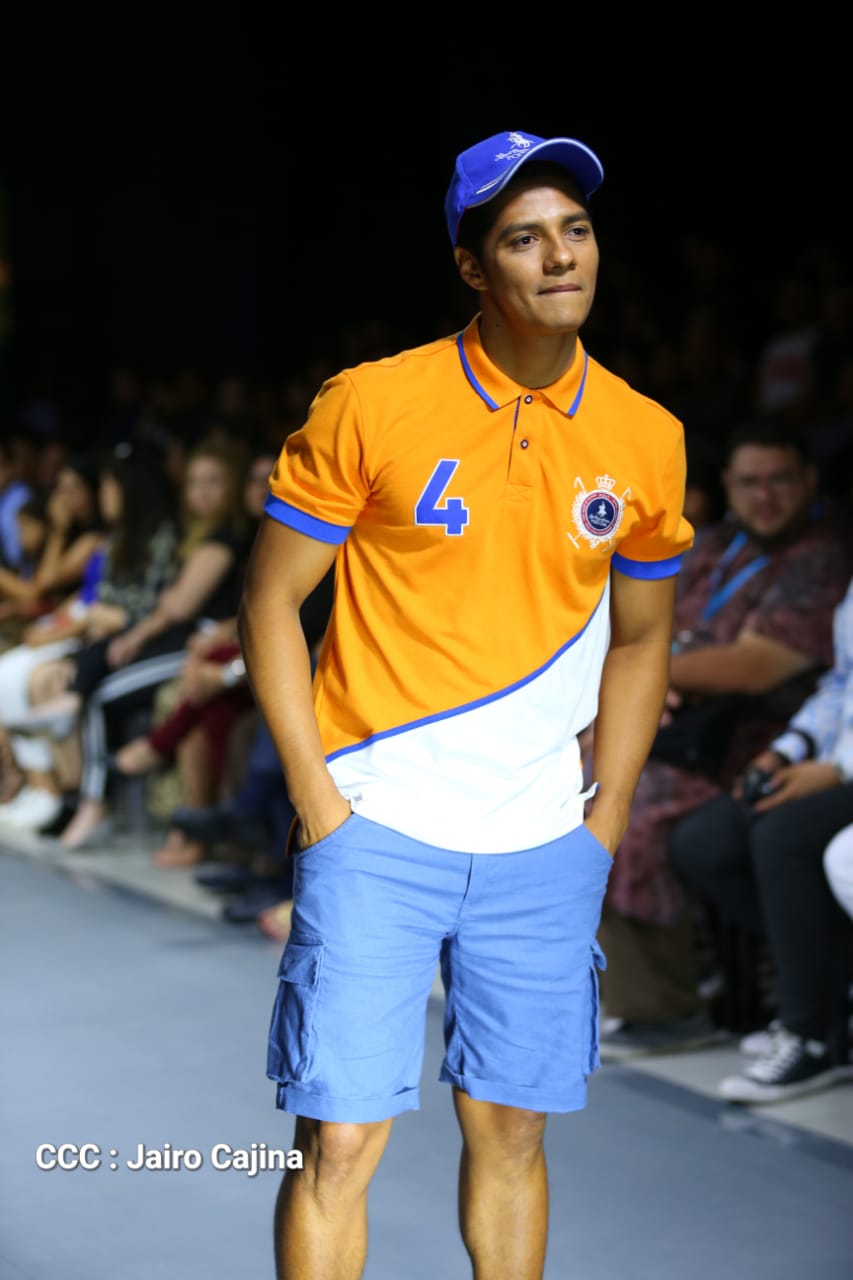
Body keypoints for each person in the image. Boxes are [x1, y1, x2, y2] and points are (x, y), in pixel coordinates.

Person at [238, 128, 694, 1280]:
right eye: (524, 238)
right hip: (376, 821)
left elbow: (644, 636)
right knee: (339, 1142)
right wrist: (317, 800)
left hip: (543, 837)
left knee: (513, 1132)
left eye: (575, 230)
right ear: (470, 266)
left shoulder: (645, 434)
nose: (560, 255)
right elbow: (269, 600)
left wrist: (604, 817)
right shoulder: (373, 402)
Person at [595, 422, 851, 1060]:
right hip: (687, 723)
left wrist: (655, 673)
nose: (765, 496)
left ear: (809, 481)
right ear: (728, 487)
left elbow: (754, 667)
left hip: (747, 737)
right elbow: (645, 624)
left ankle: (668, 1005)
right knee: (575, 766)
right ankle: (620, 986)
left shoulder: (820, 557)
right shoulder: (714, 544)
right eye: (750, 482)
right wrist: (651, 679)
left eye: (780, 480)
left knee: (627, 804)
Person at [668, 574, 853, 1102]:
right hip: (829, 759)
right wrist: (787, 750)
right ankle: (828, 990)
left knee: (783, 836)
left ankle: (811, 1036)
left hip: (844, 768)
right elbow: (841, 684)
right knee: (704, 843)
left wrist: (838, 769)